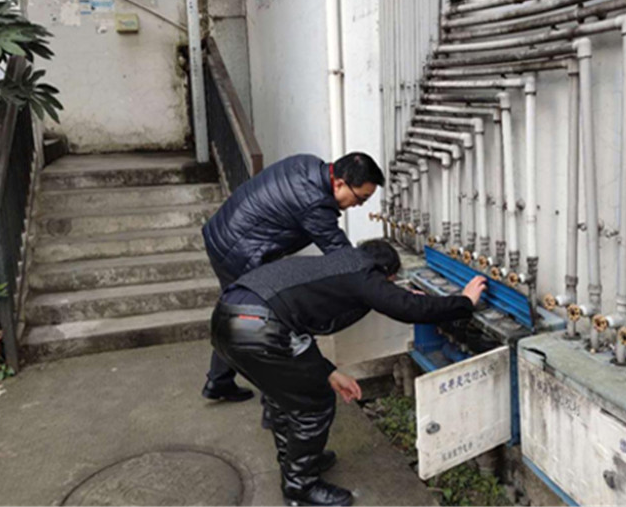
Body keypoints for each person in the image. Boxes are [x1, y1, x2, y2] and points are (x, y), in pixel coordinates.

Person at [211, 240, 487, 506]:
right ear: (386, 273)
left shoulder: (337, 263)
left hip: (228, 317)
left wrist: (329, 372)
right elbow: (408, 307)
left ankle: (298, 462)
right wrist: (464, 301)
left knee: (285, 396)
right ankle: (300, 486)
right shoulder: (364, 273)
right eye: (388, 282)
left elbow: (296, 330)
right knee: (312, 406)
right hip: (260, 329)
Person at [201, 152, 385, 402]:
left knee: (238, 313)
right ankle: (277, 397)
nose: (359, 205)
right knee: (269, 319)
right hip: (239, 250)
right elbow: (343, 258)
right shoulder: (315, 203)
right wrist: (379, 282)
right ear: (340, 183)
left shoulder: (309, 165)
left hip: (224, 235)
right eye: (360, 198)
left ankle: (219, 380)